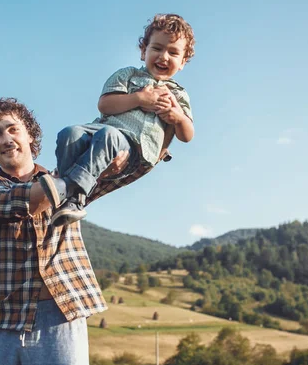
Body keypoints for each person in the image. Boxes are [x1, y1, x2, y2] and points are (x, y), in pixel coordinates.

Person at [0, 98, 128, 365]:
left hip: (61, 315)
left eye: (13, 129)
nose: (7, 138)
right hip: (2, 316)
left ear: (30, 136)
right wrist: (81, 174)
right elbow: (20, 201)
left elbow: (124, 170)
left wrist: (119, 160)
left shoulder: (74, 180)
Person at [40, 13, 196, 226]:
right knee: (70, 133)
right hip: (103, 131)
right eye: (157, 48)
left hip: (134, 149)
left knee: (109, 136)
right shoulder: (128, 75)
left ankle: (70, 192)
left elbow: (187, 135)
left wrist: (178, 118)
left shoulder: (177, 95)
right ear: (143, 51)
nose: (164, 56)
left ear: (182, 62)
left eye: (173, 52)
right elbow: (105, 105)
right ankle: (68, 197)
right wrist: (140, 98)